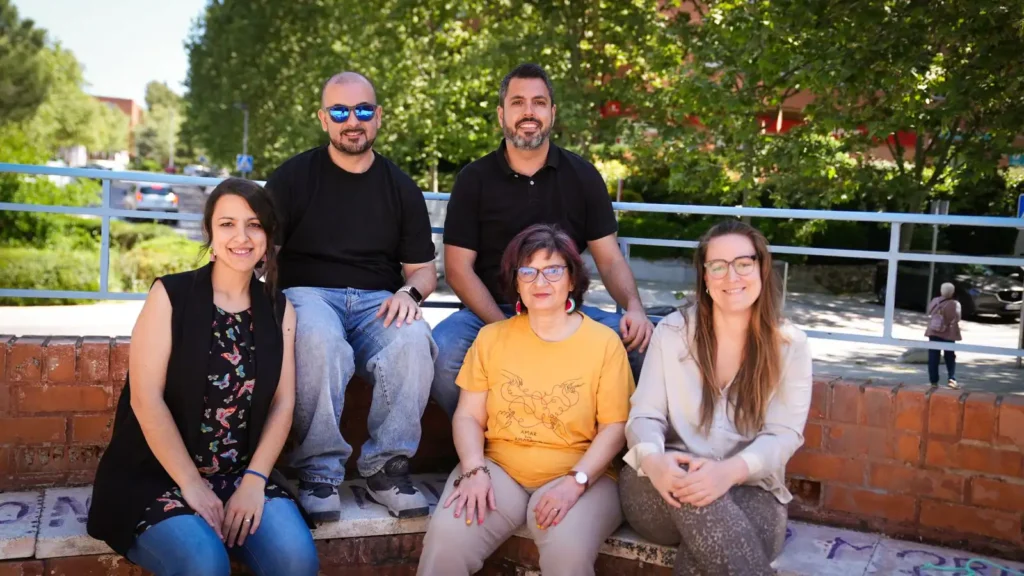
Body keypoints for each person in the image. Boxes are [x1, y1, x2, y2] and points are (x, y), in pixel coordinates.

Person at [87, 179, 319, 576]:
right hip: (157, 475)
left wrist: (254, 481)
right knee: (204, 564)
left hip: (241, 475)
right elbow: (145, 399)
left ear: (268, 236)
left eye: (254, 225)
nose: (241, 237)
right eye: (227, 224)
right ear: (210, 233)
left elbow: (283, 403)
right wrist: (192, 484)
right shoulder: (170, 295)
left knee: (296, 561)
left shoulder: (279, 309)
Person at [431, 62, 653, 418]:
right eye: (518, 103)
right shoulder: (474, 179)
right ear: (501, 114)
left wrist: (635, 308)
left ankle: (614, 443)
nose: (529, 112)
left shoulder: (583, 176)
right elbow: (458, 270)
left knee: (642, 345)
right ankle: (492, 436)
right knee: (442, 352)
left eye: (539, 102)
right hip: (491, 313)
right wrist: (506, 329)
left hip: (566, 311)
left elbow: (610, 260)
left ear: (552, 112)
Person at [266, 71, 438, 521]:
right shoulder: (292, 178)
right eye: (339, 111)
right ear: (323, 119)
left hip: (377, 301)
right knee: (318, 339)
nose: (352, 121)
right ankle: (319, 473)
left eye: (362, 110)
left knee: (413, 339)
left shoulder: (400, 187)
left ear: (378, 117)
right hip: (308, 295)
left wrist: (409, 293)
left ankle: (387, 468)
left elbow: (423, 270)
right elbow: (264, 254)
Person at [417, 224, 635, 576]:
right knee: (446, 541)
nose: (540, 281)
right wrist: (474, 470)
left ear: (572, 279)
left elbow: (615, 426)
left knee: (567, 551)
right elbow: (468, 416)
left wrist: (575, 482)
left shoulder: (604, 343)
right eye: (527, 271)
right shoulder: (491, 338)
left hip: (581, 474)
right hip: (499, 470)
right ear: (516, 282)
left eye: (553, 270)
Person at [619, 220, 812, 576]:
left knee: (711, 543)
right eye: (718, 266)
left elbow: (784, 434)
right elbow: (644, 415)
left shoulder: (789, 345)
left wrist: (727, 473)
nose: (731, 276)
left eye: (743, 263)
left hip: (751, 490)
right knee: (699, 500)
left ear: (761, 268)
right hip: (659, 484)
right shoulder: (673, 332)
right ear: (705, 277)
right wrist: (654, 460)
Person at [925, 282, 962, 389]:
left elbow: (929, 312)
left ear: (941, 291)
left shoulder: (934, 301)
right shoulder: (955, 304)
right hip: (949, 332)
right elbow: (958, 318)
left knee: (933, 356)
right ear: (953, 292)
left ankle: (933, 381)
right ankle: (951, 379)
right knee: (950, 355)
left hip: (934, 331)